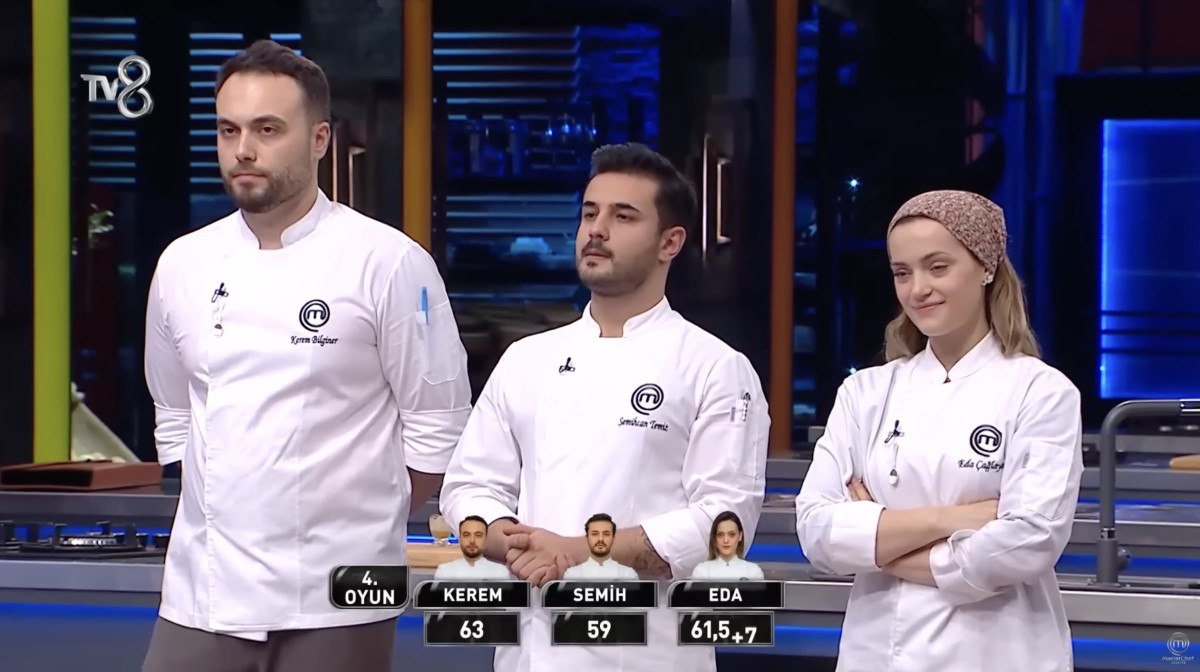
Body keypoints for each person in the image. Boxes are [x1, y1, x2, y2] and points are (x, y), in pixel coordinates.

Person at [141, 40, 472, 672]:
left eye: (267, 130)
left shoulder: (390, 263)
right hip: (203, 590)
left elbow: (437, 428)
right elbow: (175, 414)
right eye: (229, 130)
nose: (243, 149)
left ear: (320, 139)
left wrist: (356, 525)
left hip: (341, 594)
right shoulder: (182, 264)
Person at [438, 142, 770, 672]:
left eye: (623, 216)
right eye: (590, 213)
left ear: (670, 243)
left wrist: (575, 551)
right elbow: (470, 485)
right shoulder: (527, 359)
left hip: (647, 653)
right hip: (528, 651)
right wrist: (512, 542)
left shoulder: (715, 368)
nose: (597, 229)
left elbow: (722, 523)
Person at [794, 190, 1083, 672]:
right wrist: (953, 520)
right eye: (902, 272)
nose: (917, 289)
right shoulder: (866, 392)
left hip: (996, 654)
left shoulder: (1041, 392)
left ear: (986, 267)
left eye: (937, 267)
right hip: (876, 653)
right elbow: (817, 532)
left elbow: (1028, 543)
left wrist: (878, 543)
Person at [435, 516, 514, 580]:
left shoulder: (500, 573)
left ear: (486, 540)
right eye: (466, 535)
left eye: (478, 535)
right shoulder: (444, 572)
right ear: (460, 539)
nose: (472, 541)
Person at [690, 511, 763, 580]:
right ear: (715, 538)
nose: (726, 540)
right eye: (720, 535)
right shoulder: (701, 571)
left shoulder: (753, 572)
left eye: (732, 535)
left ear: (740, 536)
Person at [562, 514, 638, 580]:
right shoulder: (570, 573)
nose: (600, 539)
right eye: (595, 534)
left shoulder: (630, 574)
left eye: (606, 534)